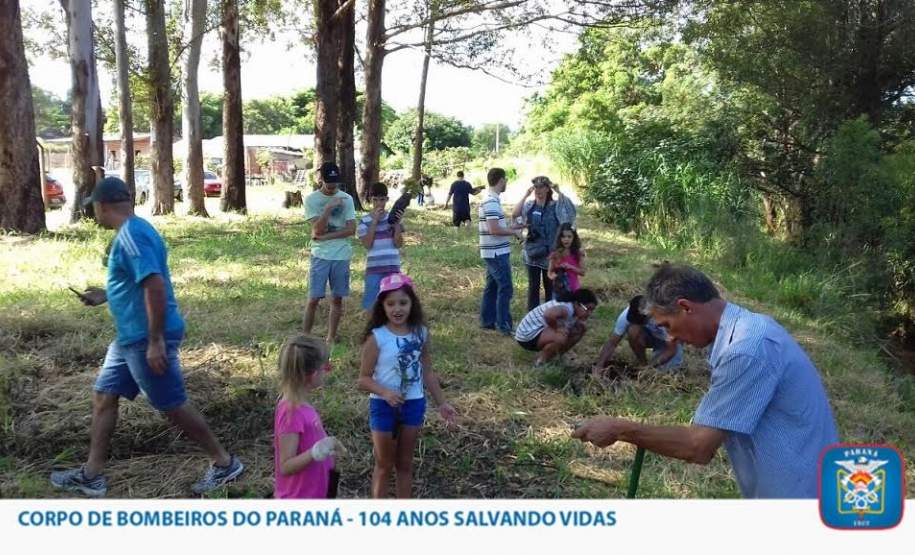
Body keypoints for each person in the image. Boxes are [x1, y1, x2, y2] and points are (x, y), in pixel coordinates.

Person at [574, 265, 839, 498]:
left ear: (686, 307)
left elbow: (698, 446)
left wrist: (620, 429)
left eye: (667, 325)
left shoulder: (746, 350)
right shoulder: (748, 328)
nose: (670, 339)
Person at [50, 177, 244, 497]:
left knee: (171, 404)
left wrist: (155, 341)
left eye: (94, 207)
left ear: (102, 206)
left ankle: (224, 463)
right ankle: (91, 475)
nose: (93, 213)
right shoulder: (135, 231)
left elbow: (154, 285)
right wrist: (106, 294)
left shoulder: (132, 235)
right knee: (104, 396)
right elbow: (138, 283)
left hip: (146, 337)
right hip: (129, 337)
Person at [357, 273, 457, 498]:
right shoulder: (377, 338)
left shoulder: (421, 334)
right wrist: (385, 392)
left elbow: (427, 372)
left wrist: (442, 403)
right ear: (382, 306)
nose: (397, 309)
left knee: (404, 463)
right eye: (391, 303)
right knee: (384, 464)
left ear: (412, 304)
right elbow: (363, 379)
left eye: (403, 302)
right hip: (383, 406)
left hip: (413, 404)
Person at [274, 334, 346, 499]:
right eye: (325, 368)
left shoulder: (301, 404)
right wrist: (316, 452)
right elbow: (285, 466)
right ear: (313, 375)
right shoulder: (291, 412)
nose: (326, 372)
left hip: (314, 491)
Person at [304, 162, 357, 344]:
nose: (333, 186)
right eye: (329, 182)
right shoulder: (312, 200)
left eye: (335, 182)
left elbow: (351, 230)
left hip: (341, 255)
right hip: (320, 255)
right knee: (313, 298)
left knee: (337, 298)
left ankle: (331, 337)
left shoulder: (347, 199)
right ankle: (305, 336)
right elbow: (317, 230)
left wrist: (326, 237)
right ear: (321, 180)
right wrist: (327, 209)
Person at [512, 176, 574, 312]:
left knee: (550, 287)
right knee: (533, 287)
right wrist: (525, 195)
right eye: (536, 187)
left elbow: (570, 215)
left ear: (547, 188)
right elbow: (515, 214)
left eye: (542, 187)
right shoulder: (529, 205)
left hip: (550, 256)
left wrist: (559, 192)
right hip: (532, 254)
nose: (538, 190)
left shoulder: (556, 206)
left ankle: (549, 317)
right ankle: (532, 316)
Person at [479, 168, 524, 335]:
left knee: (491, 287)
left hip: (493, 251)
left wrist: (516, 227)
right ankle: (504, 326)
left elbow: (497, 226)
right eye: (505, 180)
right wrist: (514, 233)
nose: (506, 183)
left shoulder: (492, 200)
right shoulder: (491, 201)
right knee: (506, 288)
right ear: (501, 180)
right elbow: (494, 230)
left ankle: (487, 321)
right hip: (496, 253)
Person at [591, 295, 682, 378]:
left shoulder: (667, 317)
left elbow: (671, 350)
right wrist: (599, 365)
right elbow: (612, 343)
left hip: (668, 343)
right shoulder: (626, 315)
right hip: (649, 336)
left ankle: (648, 367)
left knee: (668, 374)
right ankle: (643, 363)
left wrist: (650, 367)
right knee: (633, 329)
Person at [515, 289, 598, 367]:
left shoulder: (573, 308)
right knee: (560, 337)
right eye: (588, 309)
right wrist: (558, 329)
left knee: (580, 329)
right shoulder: (566, 308)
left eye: (592, 310)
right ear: (577, 304)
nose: (589, 313)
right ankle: (541, 363)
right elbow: (548, 315)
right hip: (526, 335)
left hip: (537, 331)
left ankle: (555, 356)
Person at [357, 182, 405, 310]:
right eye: (375, 200)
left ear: (387, 199)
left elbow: (398, 244)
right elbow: (367, 244)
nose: (379, 203)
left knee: (392, 303)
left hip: (392, 267)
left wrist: (397, 224)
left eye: (382, 199)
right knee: (371, 304)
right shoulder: (364, 221)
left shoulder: (392, 218)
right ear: (370, 199)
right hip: (374, 268)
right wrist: (374, 222)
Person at [548, 223, 585, 299]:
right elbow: (549, 273)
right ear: (559, 238)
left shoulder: (578, 253)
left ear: (574, 238)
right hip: (559, 291)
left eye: (569, 237)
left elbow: (582, 272)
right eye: (563, 237)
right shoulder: (555, 254)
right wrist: (555, 277)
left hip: (574, 289)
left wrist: (570, 267)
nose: (566, 239)